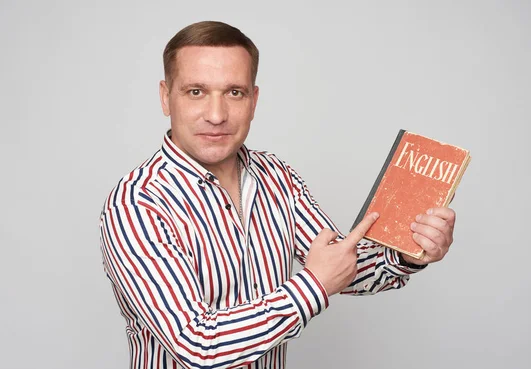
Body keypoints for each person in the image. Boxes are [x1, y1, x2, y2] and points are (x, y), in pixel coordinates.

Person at [99, 20, 456, 369]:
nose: (216, 114)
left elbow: (341, 266)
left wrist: (410, 251)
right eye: (196, 92)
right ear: (166, 98)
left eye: (233, 92)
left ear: (253, 100)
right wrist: (312, 286)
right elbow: (197, 347)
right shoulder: (137, 204)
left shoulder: (277, 178)